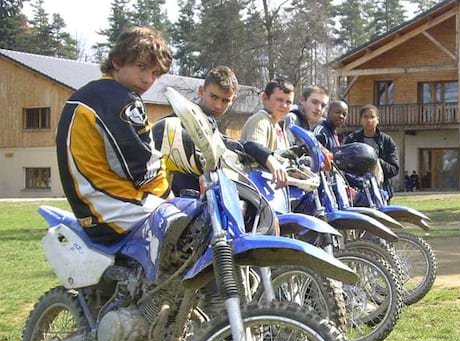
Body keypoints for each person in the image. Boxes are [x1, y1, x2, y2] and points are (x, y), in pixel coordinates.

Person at [56, 26, 195, 253]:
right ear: (118, 62)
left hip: (90, 209)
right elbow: (142, 164)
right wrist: (170, 198)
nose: (148, 79)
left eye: (155, 73)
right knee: (194, 221)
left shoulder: (86, 96)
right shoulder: (121, 100)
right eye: (141, 67)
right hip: (111, 208)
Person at [155, 66, 287, 193]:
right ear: (201, 91)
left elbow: (232, 145)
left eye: (225, 100)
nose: (218, 105)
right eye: (214, 97)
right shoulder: (185, 121)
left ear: (233, 100)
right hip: (174, 202)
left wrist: (268, 158)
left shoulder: (207, 122)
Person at [344, 104, 400, 200]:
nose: (369, 120)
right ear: (361, 120)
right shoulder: (352, 139)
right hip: (358, 193)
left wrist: (375, 162)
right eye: (365, 117)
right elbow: (345, 166)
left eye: (372, 117)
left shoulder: (387, 141)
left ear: (377, 119)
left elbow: (394, 169)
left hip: (382, 192)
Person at [240, 78, 295, 152]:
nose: (284, 106)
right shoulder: (260, 121)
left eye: (288, 102)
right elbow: (256, 155)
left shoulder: (279, 125)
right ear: (265, 98)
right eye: (279, 100)